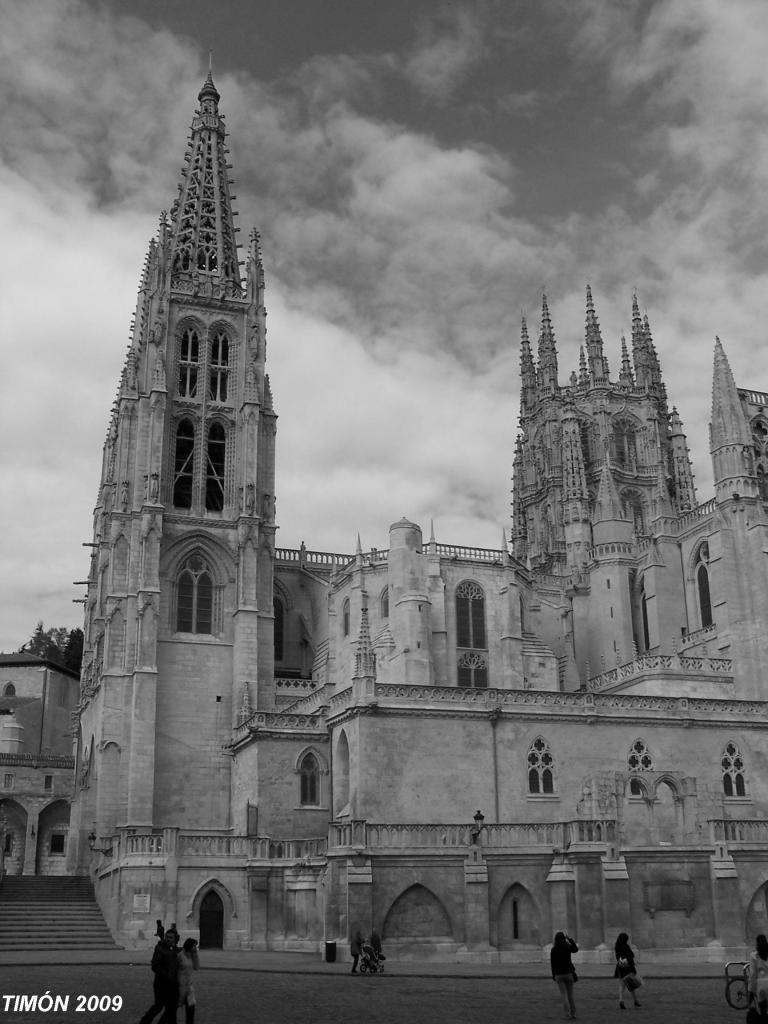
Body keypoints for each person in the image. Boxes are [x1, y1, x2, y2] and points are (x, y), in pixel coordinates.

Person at [139, 926, 180, 1024]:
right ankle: (144, 1021)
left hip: (173, 983)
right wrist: (167, 976)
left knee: (172, 1007)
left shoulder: (175, 950)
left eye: (171, 937)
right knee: (159, 1005)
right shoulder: (160, 948)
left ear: (175, 939)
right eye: (167, 937)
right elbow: (155, 966)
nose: (168, 939)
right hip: (161, 983)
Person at [550, 930, 579, 1020]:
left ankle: (567, 1014)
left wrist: (553, 975)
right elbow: (575, 949)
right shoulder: (567, 947)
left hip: (559, 975)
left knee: (563, 995)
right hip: (568, 973)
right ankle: (573, 1013)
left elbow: (553, 964)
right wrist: (570, 939)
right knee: (570, 995)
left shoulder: (553, 950)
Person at [614, 932, 641, 1009]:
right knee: (632, 985)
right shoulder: (626, 946)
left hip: (620, 967)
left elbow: (618, 957)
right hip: (628, 968)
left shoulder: (617, 946)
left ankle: (621, 1000)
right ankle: (635, 1001)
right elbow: (631, 955)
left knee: (621, 985)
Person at [177, 937, 200, 1024]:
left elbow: (196, 967)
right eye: (194, 946)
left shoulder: (192, 956)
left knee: (191, 1009)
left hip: (189, 986)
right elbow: (175, 968)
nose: (195, 948)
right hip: (180, 985)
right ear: (189, 946)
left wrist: (195, 955)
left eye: (196, 946)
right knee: (172, 1009)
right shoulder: (180, 955)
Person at [748, 933, 768, 1019]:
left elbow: (753, 975)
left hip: (761, 987)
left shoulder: (754, 956)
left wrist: (751, 991)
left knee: (763, 1011)